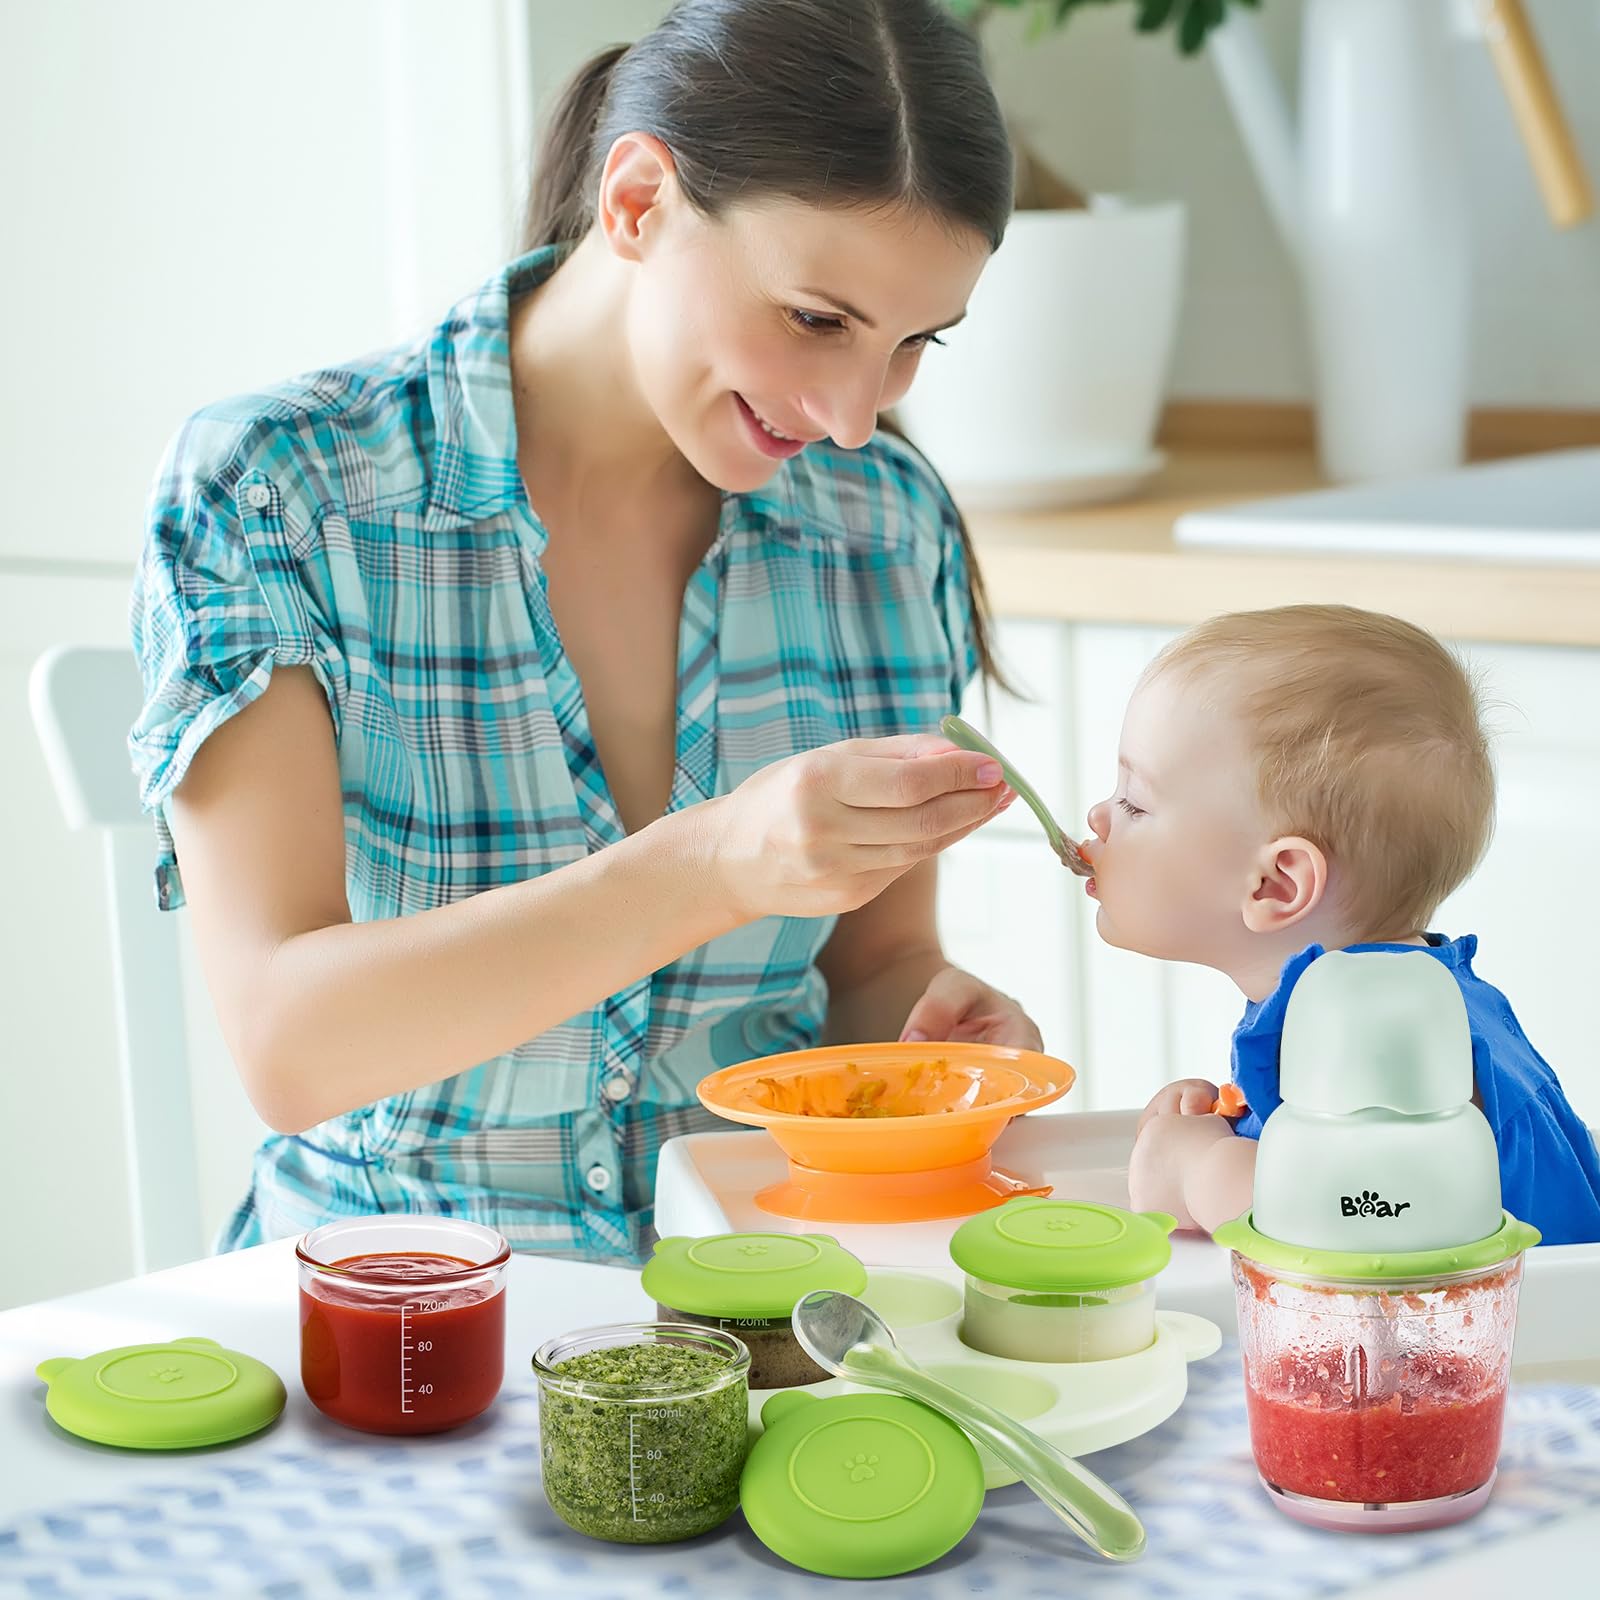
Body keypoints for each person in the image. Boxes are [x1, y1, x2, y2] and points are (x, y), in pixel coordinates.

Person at [127, 0, 1042, 1263]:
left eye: (909, 346)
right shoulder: (286, 485)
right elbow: (291, 1046)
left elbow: (877, 963)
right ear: (637, 200)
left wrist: (927, 1040)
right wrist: (711, 864)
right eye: (816, 320)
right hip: (405, 1318)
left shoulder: (882, 524)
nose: (848, 415)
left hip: (770, 1305)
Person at [1089, 605, 1600, 1245]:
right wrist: (1239, 1129)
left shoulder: (1375, 1025)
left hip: (1534, 1338)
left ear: (1277, 884)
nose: (1098, 817)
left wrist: (1198, 1169)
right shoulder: (1384, 997)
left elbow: (1366, 1213)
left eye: (1135, 802)